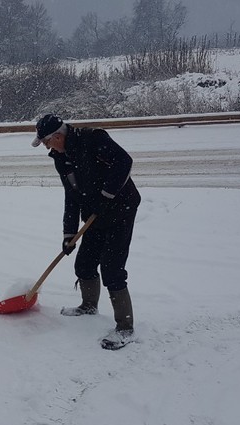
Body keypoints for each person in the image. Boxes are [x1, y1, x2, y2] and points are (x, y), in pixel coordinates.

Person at [31, 114, 142, 350]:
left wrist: (107, 195)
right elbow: (71, 196)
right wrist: (68, 234)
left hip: (121, 209)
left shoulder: (93, 139)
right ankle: (88, 305)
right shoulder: (61, 158)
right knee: (84, 264)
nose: (47, 148)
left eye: (47, 142)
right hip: (96, 213)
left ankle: (125, 327)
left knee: (112, 267)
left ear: (58, 136)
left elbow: (124, 162)